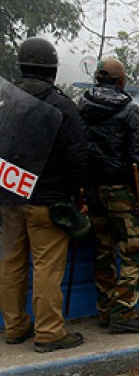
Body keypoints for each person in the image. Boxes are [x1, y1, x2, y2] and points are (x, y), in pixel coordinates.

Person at [0, 37, 88, 352]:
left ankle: (14, 327)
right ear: (51, 69)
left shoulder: (5, 101)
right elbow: (77, 158)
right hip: (46, 203)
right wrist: (74, 194)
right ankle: (49, 332)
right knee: (46, 266)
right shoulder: (61, 105)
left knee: (10, 262)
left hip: (9, 199)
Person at [78, 57, 139, 334]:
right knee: (134, 251)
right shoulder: (130, 109)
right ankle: (123, 312)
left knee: (102, 250)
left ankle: (105, 310)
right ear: (121, 81)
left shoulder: (81, 107)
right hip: (122, 189)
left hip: (92, 189)